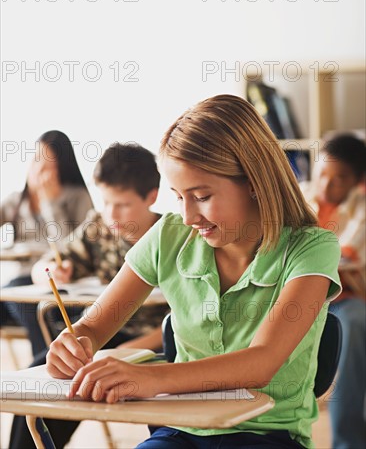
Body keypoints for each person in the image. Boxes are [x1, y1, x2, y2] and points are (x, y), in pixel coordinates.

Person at [34, 95, 341, 449]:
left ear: (254, 181)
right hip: (182, 431)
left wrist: (149, 378)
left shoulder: (312, 248)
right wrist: (76, 343)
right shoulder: (169, 235)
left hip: (267, 433)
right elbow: (95, 325)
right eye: (178, 197)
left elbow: (261, 363)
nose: (189, 216)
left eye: (202, 195)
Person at [8, 142, 169, 449]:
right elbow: (44, 266)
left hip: (150, 341)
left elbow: (180, 320)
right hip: (97, 335)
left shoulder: (168, 237)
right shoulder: (99, 227)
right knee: (40, 380)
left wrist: (132, 350)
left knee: (86, 378)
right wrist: (51, 270)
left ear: (151, 197)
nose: (111, 214)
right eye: (105, 202)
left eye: (121, 205)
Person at [301, 134, 366, 449]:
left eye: (339, 179)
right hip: (299, 297)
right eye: (322, 175)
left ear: (357, 182)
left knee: (353, 323)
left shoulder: (361, 212)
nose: (327, 186)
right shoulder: (297, 201)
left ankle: (348, 442)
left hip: (346, 302)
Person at [0, 130, 93, 336]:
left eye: (48, 167)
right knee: (14, 294)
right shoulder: (16, 200)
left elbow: (72, 246)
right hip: (24, 279)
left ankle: (43, 357)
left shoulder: (77, 197)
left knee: (22, 300)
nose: (38, 171)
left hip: (61, 282)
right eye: (35, 162)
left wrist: (50, 204)